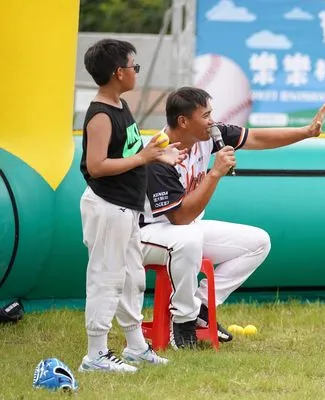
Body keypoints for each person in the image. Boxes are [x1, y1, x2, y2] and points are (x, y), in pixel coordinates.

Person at [140, 87, 325, 348]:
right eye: (205, 115)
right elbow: (181, 218)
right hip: (149, 235)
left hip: (188, 232)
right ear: (183, 121)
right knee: (188, 237)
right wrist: (215, 173)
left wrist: (306, 132)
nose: (212, 121)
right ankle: (182, 321)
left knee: (258, 242)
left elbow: (258, 139)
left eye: (211, 114)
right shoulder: (158, 153)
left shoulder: (208, 134)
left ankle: (201, 309)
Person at [79, 39, 185, 372]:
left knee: (131, 277)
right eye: (133, 66)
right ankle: (95, 353)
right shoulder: (100, 115)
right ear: (118, 73)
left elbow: (130, 151)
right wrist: (143, 156)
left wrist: (159, 155)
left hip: (126, 208)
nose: (135, 72)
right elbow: (96, 165)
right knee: (106, 277)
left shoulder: (120, 106)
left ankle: (135, 346)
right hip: (108, 207)